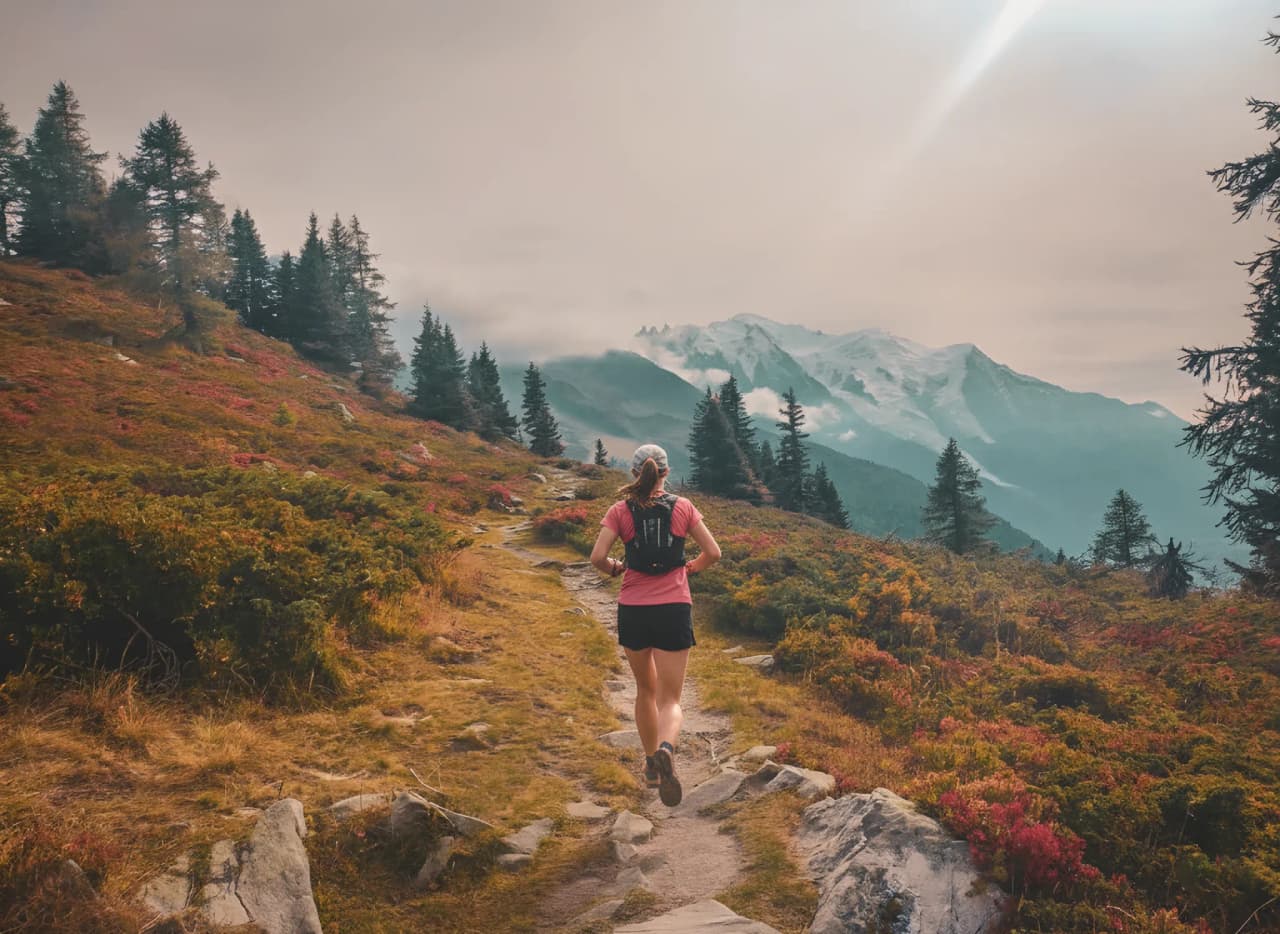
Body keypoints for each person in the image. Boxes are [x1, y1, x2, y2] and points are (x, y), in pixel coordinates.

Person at [590, 443, 721, 806]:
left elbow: (597, 557)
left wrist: (618, 569)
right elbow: (714, 553)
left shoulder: (619, 510)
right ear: (665, 472)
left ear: (635, 473)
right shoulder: (683, 507)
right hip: (673, 607)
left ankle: (650, 764)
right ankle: (667, 748)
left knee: (645, 690)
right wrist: (688, 569)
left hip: (633, 608)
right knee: (671, 699)